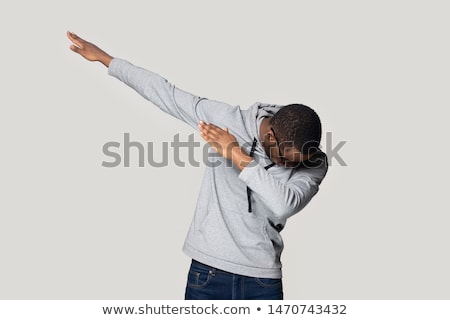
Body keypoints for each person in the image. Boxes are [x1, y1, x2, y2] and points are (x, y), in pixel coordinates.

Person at [67, 31, 328, 300]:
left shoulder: (315, 161)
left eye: (297, 162)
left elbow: (285, 203)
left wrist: (235, 153)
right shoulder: (228, 120)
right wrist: (106, 59)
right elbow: (166, 93)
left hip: (263, 280)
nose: (290, 165)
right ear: (271, 136)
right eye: (286, 158)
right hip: (208, 272)